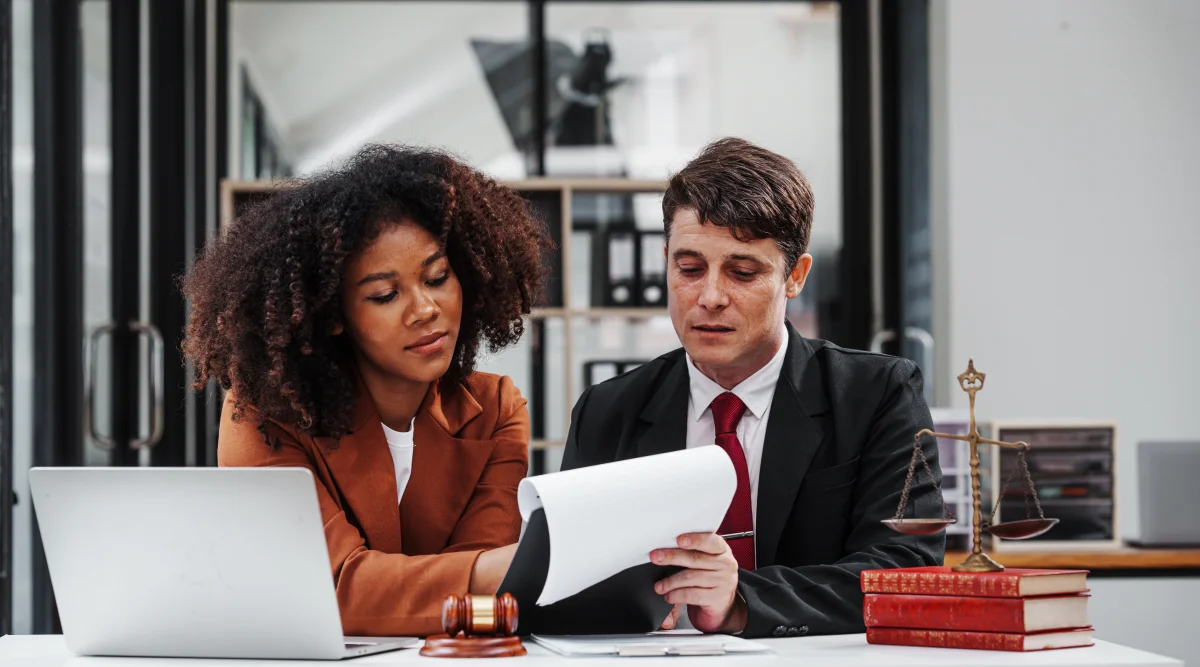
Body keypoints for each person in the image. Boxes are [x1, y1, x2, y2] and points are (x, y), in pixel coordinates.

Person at [561, 137, 945, 639]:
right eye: (689, 268)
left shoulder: (878, 395)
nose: (711, 297)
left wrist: (742, 600)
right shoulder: (607, 410)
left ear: (795, 276)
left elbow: (905, 569)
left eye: (742, 272)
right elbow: (568, 577)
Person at [182, 145, 549, 637]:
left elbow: (475, 610)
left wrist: (479, 580)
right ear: (332, 316)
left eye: (438, 278)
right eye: (384, 294)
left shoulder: (496, 410)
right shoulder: (265, 416)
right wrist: (496, 572)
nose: (425, 309)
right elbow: (324, 590)